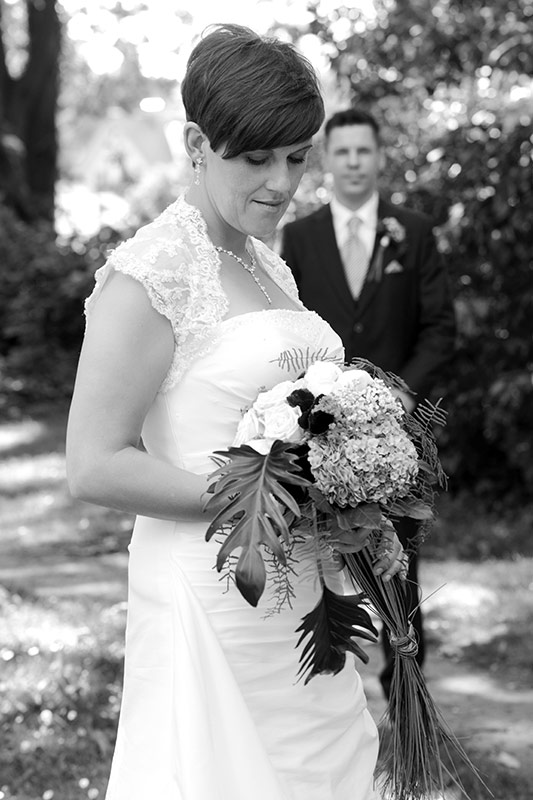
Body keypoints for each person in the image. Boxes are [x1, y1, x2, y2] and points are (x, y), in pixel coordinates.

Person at [66, 26, 407, 800]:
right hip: (209, 596)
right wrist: (269, 499)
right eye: (256, 159)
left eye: (297, 156)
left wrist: (351, 504)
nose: (282, 182)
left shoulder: (266, 262)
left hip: (301, 598)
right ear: (197, 144)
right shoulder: (150, 274)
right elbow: (92, 465)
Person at [281, 108, 456, 699]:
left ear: (379, 157)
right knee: (325, 557)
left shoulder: (415, 231)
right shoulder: (299, 237)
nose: (354, 162)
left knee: (400, 565)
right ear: (327, 160)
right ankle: (328, 685)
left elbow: (439, 328)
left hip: (396, 433)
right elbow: (289, 329)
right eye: (343, 151)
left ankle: (406, 694)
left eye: (364, 151)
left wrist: (402, 394)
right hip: (322, 434)